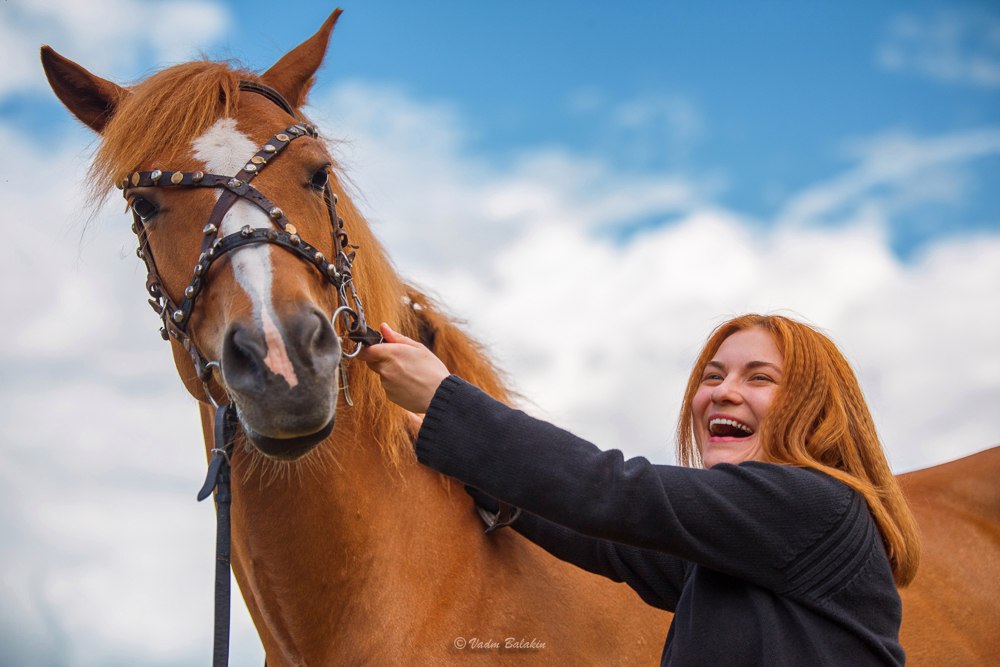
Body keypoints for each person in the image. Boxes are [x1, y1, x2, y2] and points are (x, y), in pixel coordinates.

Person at [358, 314, 920, 666]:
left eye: (759, 377)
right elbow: (611, 543)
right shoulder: (739, 555)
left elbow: (615, 491)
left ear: (816, 409)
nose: (723, 391)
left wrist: (446, 400)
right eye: (713, 375)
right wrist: (477, 473)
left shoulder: (813, 504)